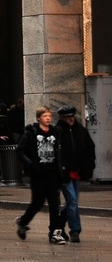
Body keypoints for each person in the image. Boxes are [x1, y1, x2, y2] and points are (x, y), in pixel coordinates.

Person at [15, 106, 66, 244]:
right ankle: (23, 222)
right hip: (38, 173)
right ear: (39, 118)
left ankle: (54, 233)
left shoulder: (56, 132)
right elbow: (19, 151)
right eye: (45, 116)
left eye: (49, 116)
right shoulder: (31, 132)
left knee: (54, 203)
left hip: (52, 173)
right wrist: (30, 164)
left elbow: (60, 151)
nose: (48, 118)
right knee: (37, 202)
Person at [55, 104, 95, 243]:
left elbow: (90, 148)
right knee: (72, 201)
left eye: (72, 116)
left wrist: (89, 166)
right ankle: (75, 231)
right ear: (62, 118)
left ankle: (58, 225)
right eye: (67, 117)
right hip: (64, 173)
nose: (71, 119)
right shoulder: (58, 132)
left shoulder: (80, 131)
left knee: (72, 202)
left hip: (77, 172)